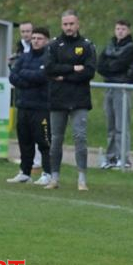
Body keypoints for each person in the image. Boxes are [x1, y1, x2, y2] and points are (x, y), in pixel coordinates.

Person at [45, 10, 96, 191]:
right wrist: (74, 68)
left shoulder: (87, 45)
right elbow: (50, 69)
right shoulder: (53, 45)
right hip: (58, 99)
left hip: (79, 99)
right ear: (61, 25)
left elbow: (89, 72)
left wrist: (64, 76)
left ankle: (82, 179)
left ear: (78, 24)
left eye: (71, 24)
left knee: (80, 137)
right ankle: (54, 178)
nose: (68, 27)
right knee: (56, 139)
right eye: (65, 24)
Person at [7, 27, 52, 185]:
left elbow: (42, 76)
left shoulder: (49, 58)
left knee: (44, 141)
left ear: (46, 40)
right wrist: (28, 79)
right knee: (24, 140)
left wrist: (24, 75)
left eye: (39, 38)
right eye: (34, 38)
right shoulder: (24, 57)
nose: (36, 41)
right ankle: (25, 172)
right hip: (23, 105)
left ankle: (47, 172)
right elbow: (13, 76)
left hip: (41, 107)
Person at [97, 19, 133, 169]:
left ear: (128, 31)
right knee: (111, 124)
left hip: (122, 87)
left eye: (123, 29)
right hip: (109, 86)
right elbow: (100, 65)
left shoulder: (131, 48)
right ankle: (111, 157)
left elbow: (119, 65)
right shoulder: (110, 45)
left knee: (122, 124)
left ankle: (123, 157)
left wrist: (111, 66)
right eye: (118, 29)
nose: (120, 31)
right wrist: (111, 67)